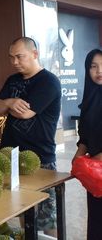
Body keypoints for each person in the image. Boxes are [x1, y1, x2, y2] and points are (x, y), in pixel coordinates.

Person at [0, 37, 61, 236]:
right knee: (23, 211)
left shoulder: (49, 82)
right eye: (11, 57)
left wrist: (8, 105)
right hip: (10, 156)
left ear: (34, 54)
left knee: (47, 219)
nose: (14, 62)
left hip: (40, 159)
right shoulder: (12, 80)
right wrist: (11, 101)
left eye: (19, 57)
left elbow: (25, 113)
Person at [71, 48, 102, 240]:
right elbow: (85, 136)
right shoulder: (90, 99)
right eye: (93, 66)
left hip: (99, 166)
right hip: (97, 174)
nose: (99, 71)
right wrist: (78, 157)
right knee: (97, 220)